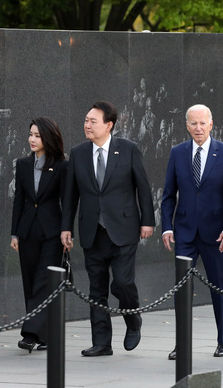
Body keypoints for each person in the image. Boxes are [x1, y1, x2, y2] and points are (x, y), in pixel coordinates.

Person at [61, 101, 155, 357]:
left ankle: (132, 318)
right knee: (97, 289)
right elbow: (71, 195)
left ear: (109, 125)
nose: (87, 125)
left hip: (124, 229)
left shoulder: (128, 149)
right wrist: (65, 228)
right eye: (86, 120)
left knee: (123, 283)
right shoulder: (78, 153)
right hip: (92, 231)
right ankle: (101, 342)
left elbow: (143, 187)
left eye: (93, 121)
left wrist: (148, 220)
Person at [161, 104, 223, 359]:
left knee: (220, 287)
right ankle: (181, 344)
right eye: (193, 123)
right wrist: (166, 227)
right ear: (187, 125)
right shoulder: (177, 153)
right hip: (184, 233)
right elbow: (167, 195)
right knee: (181, 290)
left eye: (202, 123)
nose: (198, 128)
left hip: (217, 234)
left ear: (211, 123)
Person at [10, 116, 68, 353]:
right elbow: (19, 201)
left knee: (44, 282)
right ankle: (43, 335)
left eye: (37, 135)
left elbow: (67, 200)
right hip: (27, 232)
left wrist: (67, 231)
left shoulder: (61, 165)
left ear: (48, 137)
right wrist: (14, 233)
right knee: (31, 282)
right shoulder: (23, 164)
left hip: (52, 233)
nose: (32, 139)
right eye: (30, 134)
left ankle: (30, 333)